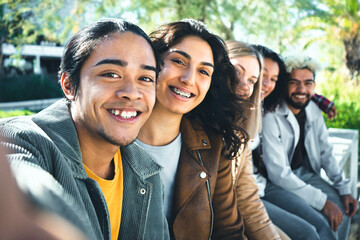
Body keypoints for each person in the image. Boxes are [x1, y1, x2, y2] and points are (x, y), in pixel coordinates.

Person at [0, 18, 169, 240]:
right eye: (111, 74)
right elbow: (26, 187)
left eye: (145, 78)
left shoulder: (148, 174)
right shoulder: (21, 140)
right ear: (69, 85)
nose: (131, 92)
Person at [135, 19, 247, 239]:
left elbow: (229, 232)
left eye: (204, 72)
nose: (189, 79)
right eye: (178, 61)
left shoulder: (214, 148)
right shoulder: (109, 135)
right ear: (152, 62)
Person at [261, 54, 358, 240]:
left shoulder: (313, 109)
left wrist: (344, 189)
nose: (301, 89)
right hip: (276, 181)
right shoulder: (270, 115)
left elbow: (325, 152)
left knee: (343, 209)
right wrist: (323, 203)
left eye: (308, 83)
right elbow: (279, 173)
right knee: (320, 222)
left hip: (303, 173)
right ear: (283, 84)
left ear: (314, 85)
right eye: (294, 82)